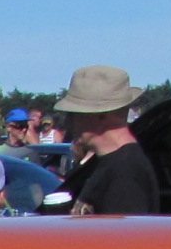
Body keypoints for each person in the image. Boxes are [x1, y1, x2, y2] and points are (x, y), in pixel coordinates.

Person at [56, 66, 160, 215]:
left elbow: (125, 237)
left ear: (102, 114)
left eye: (74, 113)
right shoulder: (111, 164)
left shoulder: (125, 171)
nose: (68, 121)